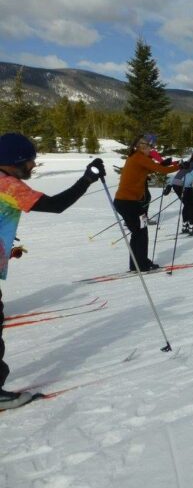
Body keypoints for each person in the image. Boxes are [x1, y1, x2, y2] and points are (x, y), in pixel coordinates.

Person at [0, 132, 106, 409]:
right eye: (30, 161)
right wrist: (86, 179)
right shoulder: (9, 185)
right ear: (12, 162)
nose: (33, 166)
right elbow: (56, 206)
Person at [114, 135, 179, 271]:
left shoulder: (135, 157)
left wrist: (163, 164)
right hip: (129, 203)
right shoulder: (139, 157)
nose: (152, 149)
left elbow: (150, 168)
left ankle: (136, 264)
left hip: (125, 202)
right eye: (150, 147)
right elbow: (162, 171)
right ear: (143, 146)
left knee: (137, 233)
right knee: (141, 233)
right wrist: (179, 166)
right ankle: (142, 264)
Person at [166, 147, 193, 234]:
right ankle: (191, 228)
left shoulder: (192, 160)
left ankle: (185, 226)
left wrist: (170, 184)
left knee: (187, 205)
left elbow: (181, 172)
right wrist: (185, 187)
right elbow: (191, 176)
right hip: (184, 185)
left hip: (176, 184)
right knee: (191, 206)